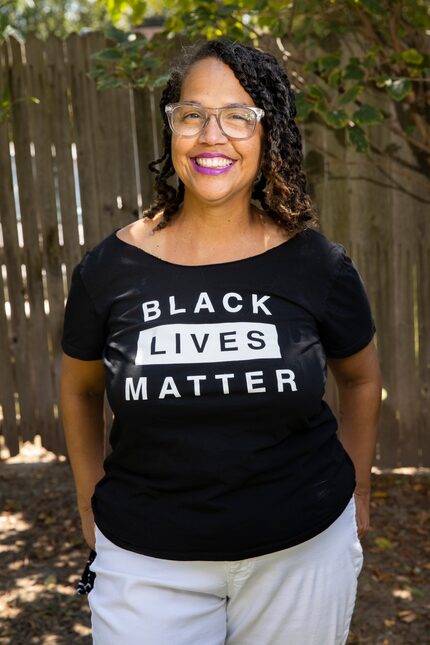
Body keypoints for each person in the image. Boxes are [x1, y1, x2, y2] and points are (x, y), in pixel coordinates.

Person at [60, 38, 382, 645]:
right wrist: (87, 500)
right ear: (171, 130)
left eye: (239, 115)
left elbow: (361, 379)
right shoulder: (109, 268)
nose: (213, 136)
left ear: (270, 134)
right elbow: (78, 390)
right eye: (192, 114)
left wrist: (358, 489)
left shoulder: (317, 265)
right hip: (146, 561)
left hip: (303, 553)